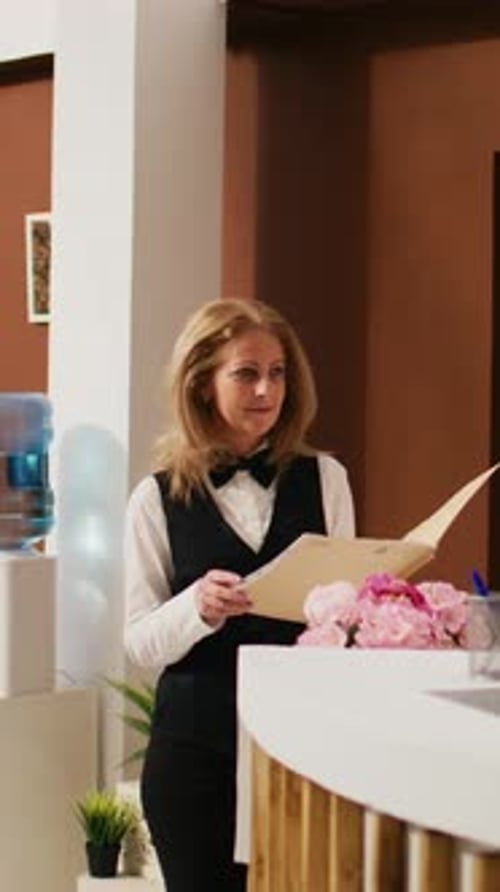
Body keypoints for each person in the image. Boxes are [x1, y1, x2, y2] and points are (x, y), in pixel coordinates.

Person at [124, 298, 355, 892]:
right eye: (246, 373)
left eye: (277, 373)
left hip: (298, 749)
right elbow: (140, 643)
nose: (266, 389)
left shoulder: (327, 480)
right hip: (194, 756)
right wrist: (194, 608)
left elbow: (346, 615)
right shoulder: (154, 500)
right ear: (203, 384)